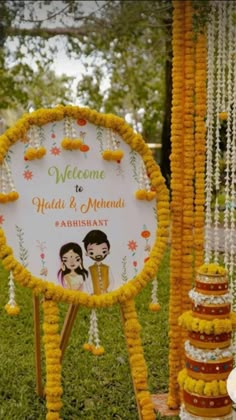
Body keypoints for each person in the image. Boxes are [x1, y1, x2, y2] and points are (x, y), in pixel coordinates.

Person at [82, 230, 115, 294]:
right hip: (95, 296)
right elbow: (87, 282)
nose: (98, 254)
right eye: (92, 252)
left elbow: (112, 281)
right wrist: (90, 292)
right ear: (87, 253)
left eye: (103, 251)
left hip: (107, 296)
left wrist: (108, 290)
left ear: (108, 251)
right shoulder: (90, 269)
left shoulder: (107, 268)